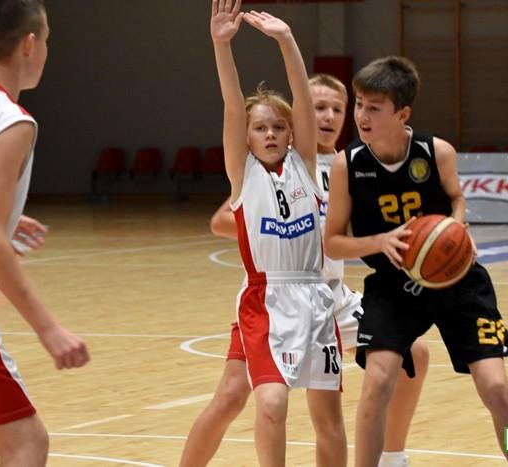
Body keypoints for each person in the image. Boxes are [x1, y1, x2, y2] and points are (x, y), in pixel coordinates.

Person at [180, 73, 429, 467]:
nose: (328, 116)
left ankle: (392, 458)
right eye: (318, 108)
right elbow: (221, 220)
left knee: (413, 353)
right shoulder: (284, 165)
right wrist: (290, 230)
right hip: (274, 295)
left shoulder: (354, 165)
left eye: (337, 109)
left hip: (331, 297)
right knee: (231, 396)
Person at [323, 56, 508, 467]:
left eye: (374, 107)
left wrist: (456, 228)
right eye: (359, 104)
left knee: (497, 389)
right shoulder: (346, 165)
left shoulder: (437, 152)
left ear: (402, 114)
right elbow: (332, 243)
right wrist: (381, 241)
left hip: (458, 283)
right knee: (377, 382)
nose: (361, 116)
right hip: (393, 287)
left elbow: (457, 198)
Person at [198, 2, 346, 466]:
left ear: (291, 134)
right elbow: (231, 104)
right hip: (266, 299)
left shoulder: (305, 164)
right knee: (273, 403)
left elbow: (302, 98)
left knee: (330, 418)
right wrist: (221, 45)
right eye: (260, 128)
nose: (270, 134)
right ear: (246, 137)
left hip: (316, 298)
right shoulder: (243, 176)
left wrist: (287, 39)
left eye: (279, 127)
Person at [0, 1, 90, 465]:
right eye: (48, 41)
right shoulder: (12, 121)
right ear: (30, 44)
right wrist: (49, 329)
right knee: (26, 444)